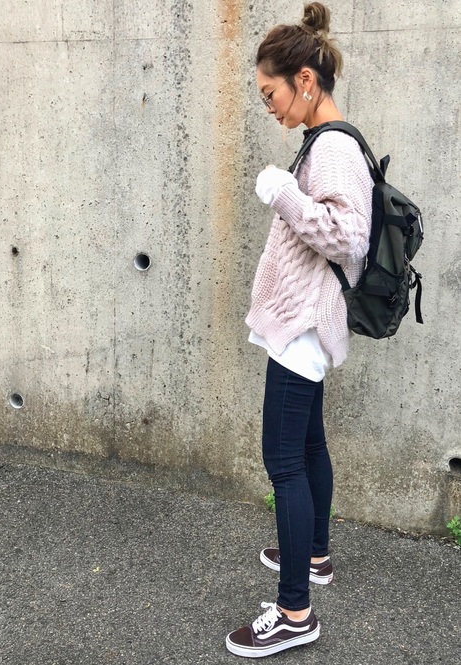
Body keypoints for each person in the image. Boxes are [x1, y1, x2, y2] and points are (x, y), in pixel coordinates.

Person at [225, 2, 373, 659]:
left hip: (303, 324)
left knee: (283, 461)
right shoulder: (325, 140)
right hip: (304, 318)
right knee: (308, 444)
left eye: (271, 94)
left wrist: (281, 192)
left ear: (304, 81)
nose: (269, 107)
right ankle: (313, 555)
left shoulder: (334, 146)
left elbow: (347, 236)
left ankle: (294, 613)